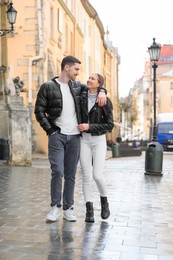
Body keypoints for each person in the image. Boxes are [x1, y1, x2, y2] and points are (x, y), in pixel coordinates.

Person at [34, 56, 107, 222]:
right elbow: (38, 111)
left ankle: (68, 208)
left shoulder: (78, 87)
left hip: (75, 137)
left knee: (71, 174)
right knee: (57, 170)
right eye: (76, 69)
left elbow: (96, 88)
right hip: (57, 135)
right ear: (66, 68)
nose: (78, 73)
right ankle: (55, 207)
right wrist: (51, 130)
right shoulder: (48, 87)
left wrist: (103, 91)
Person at [77, 73, 114, 223]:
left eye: (93, 78)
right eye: (89, 77)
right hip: (83, 141)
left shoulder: (105, 101)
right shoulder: (81, 96)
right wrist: (103, 90)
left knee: (97, 175)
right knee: (86, 176)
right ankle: (89, 211)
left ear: (99, 83)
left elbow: (109, 125)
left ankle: (104, 203)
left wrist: (89, 126)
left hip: (98, 140)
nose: (89, 80)